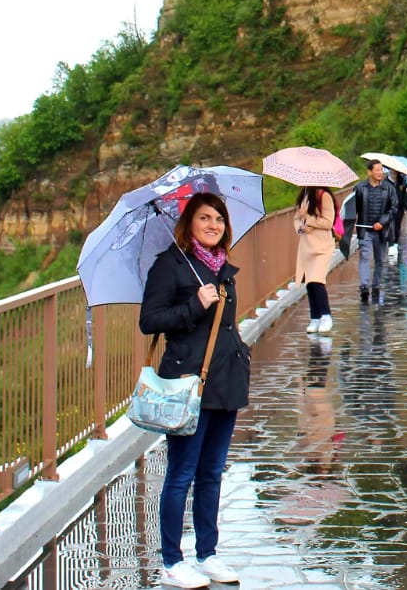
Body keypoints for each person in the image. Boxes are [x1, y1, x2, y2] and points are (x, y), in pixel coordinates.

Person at [139, 193, 251, 589]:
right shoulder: (169, 266)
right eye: (205, 218)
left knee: (211, 473)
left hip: (226, 381)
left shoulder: (223, 269)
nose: (214, 225)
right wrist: (194, 306)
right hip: (189, 383)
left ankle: (207, 554)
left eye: (219, 218)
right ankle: (172, 560)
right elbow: (149, 321)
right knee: (181, 473)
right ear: (189, 224)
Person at [351, 160, 398, 303]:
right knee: (365, 257)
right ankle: (364, 286)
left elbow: (394, 208)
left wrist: (382, 222)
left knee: (379, 260)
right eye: (377, 170)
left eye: (381, 170)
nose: (380, 173)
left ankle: (376, 285)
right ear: (369, 172)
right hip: (365, 229)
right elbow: (352, 208)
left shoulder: (389, 188)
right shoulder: (359, 188)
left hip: (381, 230)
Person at [293, 186, 337, 334]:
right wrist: (301, 227)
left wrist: (308, 219)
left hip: (322, 246)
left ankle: (326, 315)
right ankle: (315, 317)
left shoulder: (324, 196)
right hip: (307, 246)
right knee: (310, 283)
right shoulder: (305, 194)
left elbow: (328, 223)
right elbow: (296, 218)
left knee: (317, 280)